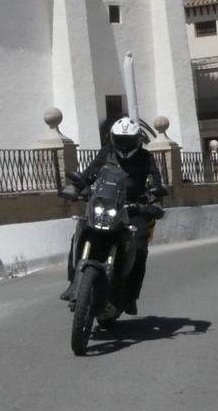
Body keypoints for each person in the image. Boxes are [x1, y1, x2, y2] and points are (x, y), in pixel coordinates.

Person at [59, 116, 165, 319]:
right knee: (80, 231)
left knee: (139, 246)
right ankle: (73, 283)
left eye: (128, 140)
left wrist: (154, 199)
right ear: (113, 138)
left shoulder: (145, 158)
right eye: (120, 139)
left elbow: (154, 181)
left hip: (133, 209)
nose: (124, 144)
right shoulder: (107, 153)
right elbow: (90, 174)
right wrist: (76, 188)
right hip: (104, 204)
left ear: (137, 139)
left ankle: (131, 296)